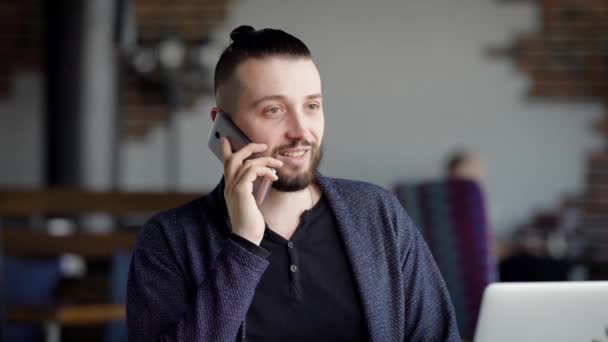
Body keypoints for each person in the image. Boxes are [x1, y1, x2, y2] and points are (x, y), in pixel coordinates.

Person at [127, 25, 459, 342]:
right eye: (274, 110)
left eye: (312, 106)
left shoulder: (377, 212)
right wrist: (244, 244)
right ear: (222, 125)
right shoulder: (169, 238)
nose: (301, 130)